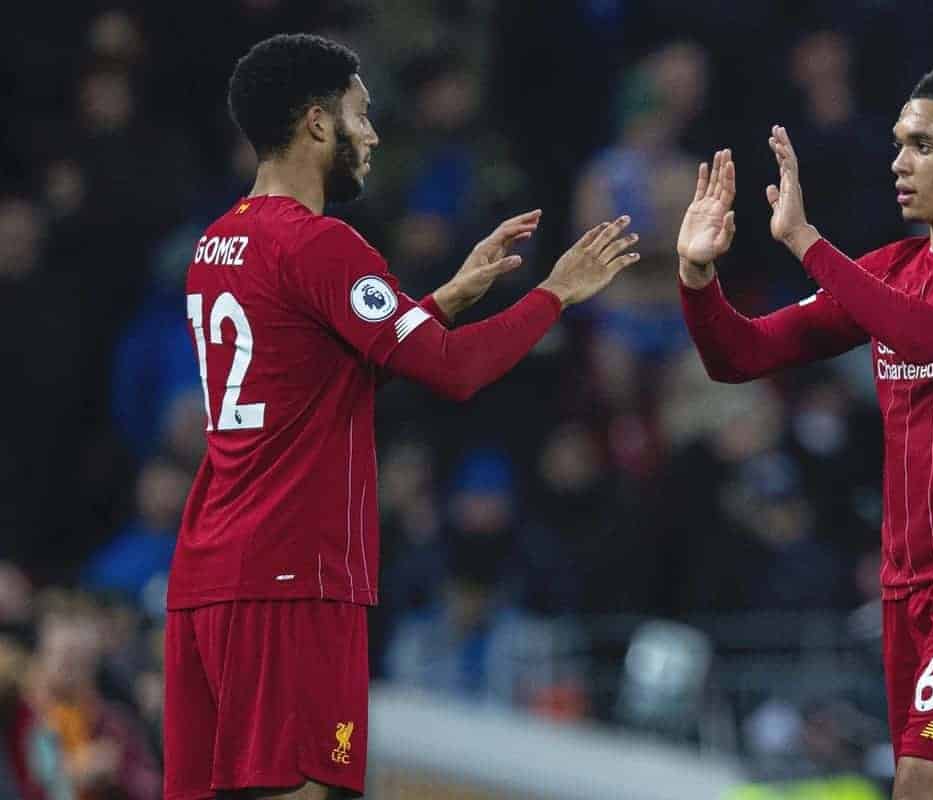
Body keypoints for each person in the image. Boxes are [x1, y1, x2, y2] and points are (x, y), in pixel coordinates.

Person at [163, 33, 640, 800]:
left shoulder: (215, 244)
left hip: (210, 573)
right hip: (295, 577)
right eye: (361, 115)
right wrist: (556, 293)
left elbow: (313, 381)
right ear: (317, 124)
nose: (374, 135)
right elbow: (453, 372)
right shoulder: (322, 246)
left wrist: (445, 298)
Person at [676, 63, 933, 800]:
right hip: (906, 586)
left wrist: (806, 242)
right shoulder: (890, 271)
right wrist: (698, 278)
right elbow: (740, 356)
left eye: (923, 144)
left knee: (924, 781)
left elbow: (930, 333)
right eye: (897, 143)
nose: (898, 162)